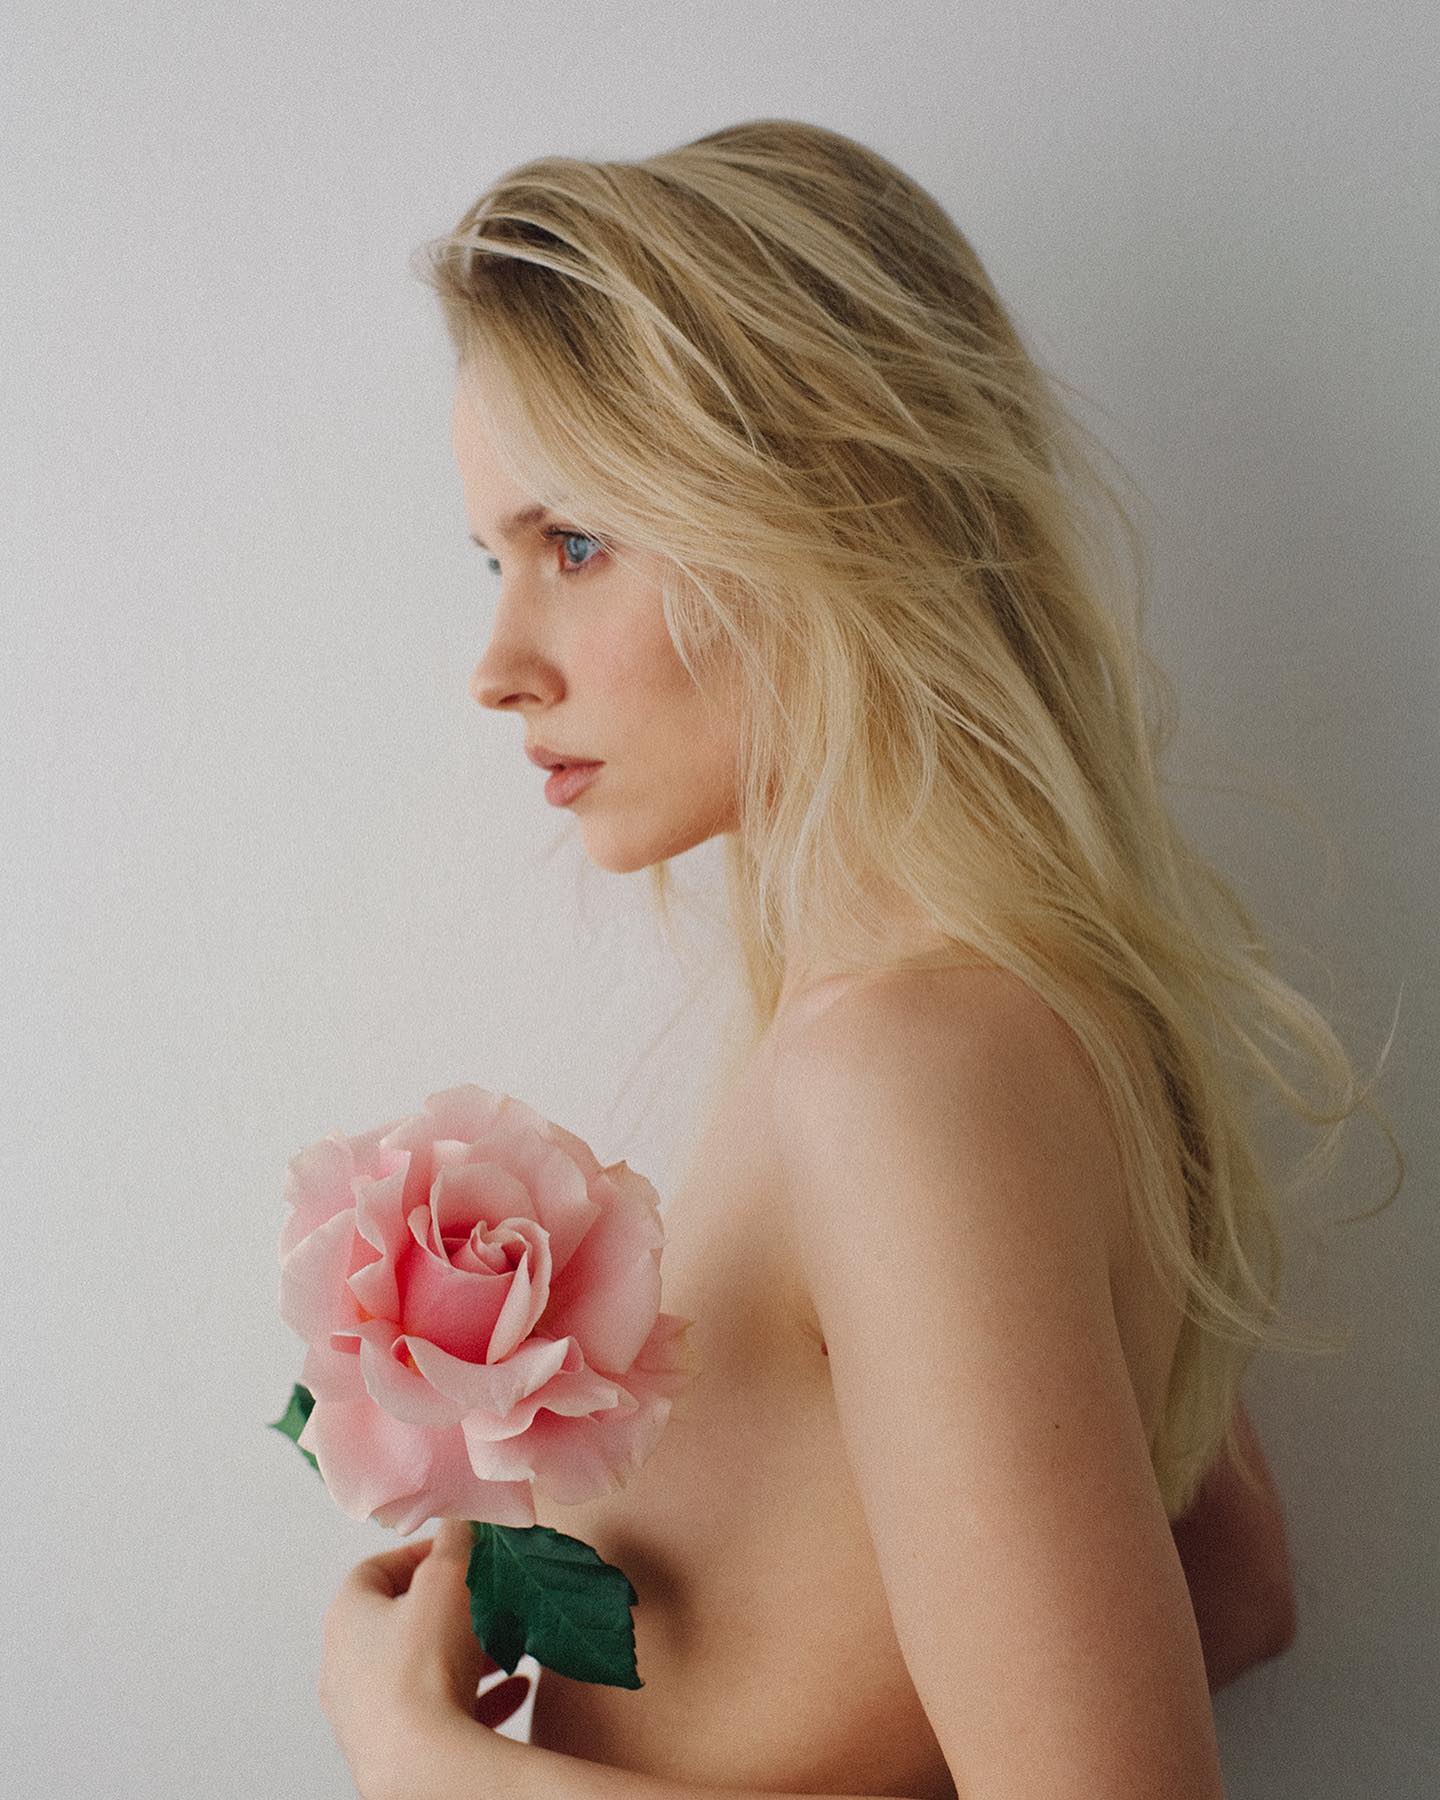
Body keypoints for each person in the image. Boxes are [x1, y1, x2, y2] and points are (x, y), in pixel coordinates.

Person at [316, 119, 1400, 1800]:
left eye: (576, 546)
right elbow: (1233, 1586)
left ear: (823, 516)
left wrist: (423, 1758)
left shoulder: (892, 1077)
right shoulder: (1007, 1014)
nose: (499, 662)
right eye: (494, 562)